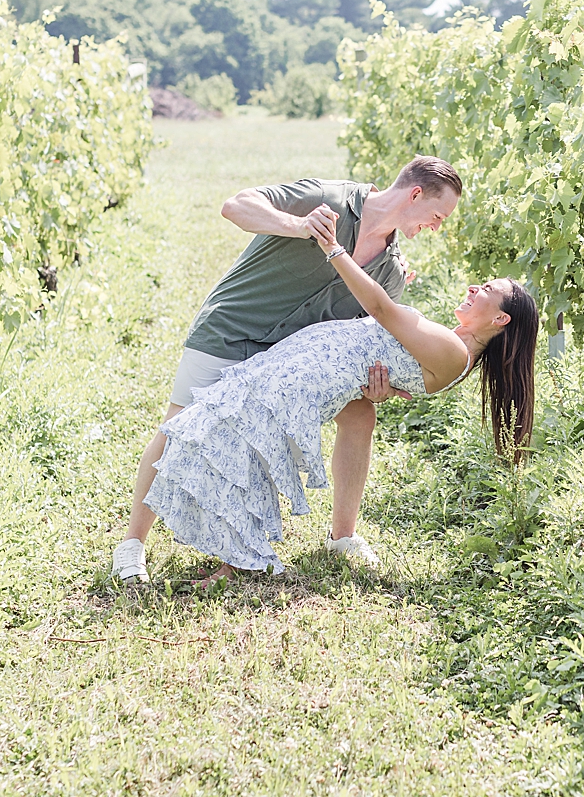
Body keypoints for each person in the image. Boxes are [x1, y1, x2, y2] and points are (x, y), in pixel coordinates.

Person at [143, 200, 539, 583]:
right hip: (306, 362)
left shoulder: (455, 353)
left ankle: (237, 560)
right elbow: (390, 347)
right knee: (234, 432)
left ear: (500, 318)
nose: (473, 287)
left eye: (486, 288)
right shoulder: (453, 346)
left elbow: (383, 311)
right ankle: (244, 551)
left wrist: (334, 249)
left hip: (309, 375)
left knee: (239, 439)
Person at [111, 157, 462, 583]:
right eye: (438, 215)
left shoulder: (390, 271)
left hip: (287, 362)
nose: (437, 227)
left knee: (360, 414)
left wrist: (376, 387)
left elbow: (361, 337)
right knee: (179, 426)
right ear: (415, 194)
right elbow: (235, 205)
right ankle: (132, 545)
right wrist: (299, 227)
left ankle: (342, 536)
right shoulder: (327, 198)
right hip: (232, 328)